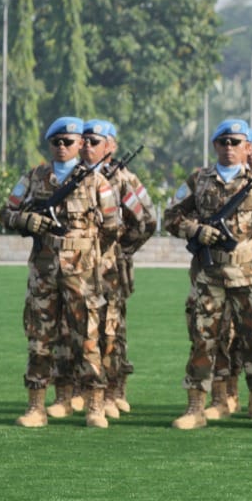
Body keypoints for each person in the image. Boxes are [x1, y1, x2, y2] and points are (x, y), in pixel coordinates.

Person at [163, 118, 252, 431]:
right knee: (202, 340)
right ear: (215, 145)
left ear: (248, 148)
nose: (229, 148)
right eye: (223, 142)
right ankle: (196, 408)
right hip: (209, 276)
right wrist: (196, 230)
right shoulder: (199, 179)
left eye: (236, 143)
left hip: (248, 277)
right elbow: (171, 217)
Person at [0, 116, 120, 428]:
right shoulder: (34, 178)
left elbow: (112, 227)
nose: (62, 147)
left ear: (81, 143)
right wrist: (26, 221)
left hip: (82, 275)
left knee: (88, 339)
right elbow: (6, 212)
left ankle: (95, 404)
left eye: (69, 142)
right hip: (44, 273)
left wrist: (87, 250)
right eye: (57, 142)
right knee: (39, 339)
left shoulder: (96, 181)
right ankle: (36, 406)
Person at [81, 119, 155, 418]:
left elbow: (146, 221)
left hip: (110, 269)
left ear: (111, 146)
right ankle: (81, 390)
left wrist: (122, 249)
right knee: (77, 329)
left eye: (95, 141)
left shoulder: (123, 179)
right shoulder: (73, 176)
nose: (87, 146)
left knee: (112, 331)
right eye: (84, 140)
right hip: (78, 267)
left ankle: (114, 390)